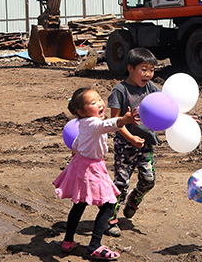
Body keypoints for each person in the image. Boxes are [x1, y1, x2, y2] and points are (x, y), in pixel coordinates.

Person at [53, 87, 140, 260]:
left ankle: (68, 241)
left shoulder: (84, 123)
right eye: (93, 103)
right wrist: (123, 120)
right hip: (91, 168)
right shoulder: (94, 123)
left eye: (100, 99)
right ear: (81, 111)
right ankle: (95, 245)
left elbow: (79, 139)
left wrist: (76, 148)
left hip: (81, 163)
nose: (100, 103)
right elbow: (105, 125)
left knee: (80, 203)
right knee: (108, 204)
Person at [105, 47, 159, 237]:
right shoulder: (120, 91)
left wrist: (181, 117)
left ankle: (134, 200)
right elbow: (115, 121)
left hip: (146, 143)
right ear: (130, 68)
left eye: (152, 70)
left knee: (149, 180)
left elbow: (165, 108)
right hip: (125, 145)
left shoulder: (151, 88)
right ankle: (110, 219)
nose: (148, 74)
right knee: (121, 183)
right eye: (144, 69)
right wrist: (131, 138)